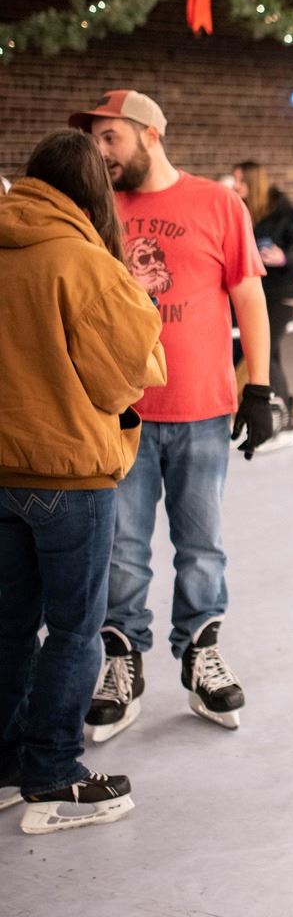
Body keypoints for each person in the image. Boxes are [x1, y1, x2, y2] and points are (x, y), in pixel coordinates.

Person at [72, 90, 276, 743]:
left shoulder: (218, 204)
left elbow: (248, 294)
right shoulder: (97, 209)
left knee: (202, 548)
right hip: (119, 413)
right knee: (122, 553)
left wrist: (260, 388)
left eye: (111, 139)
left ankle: (200, 657)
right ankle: (122, 663)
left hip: (202, 412)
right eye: (95, 140)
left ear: (149, 136)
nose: (101, 153)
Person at [0, 132, 165, 834]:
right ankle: (54, 775)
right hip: (69, 473)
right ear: (92, 190)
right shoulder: (83, 262)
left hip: (1, 469)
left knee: (7, 629)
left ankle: (7, 766)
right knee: (75, 631)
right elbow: (130, 368)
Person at [231, 160, 293, 445]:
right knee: (272, 354)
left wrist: (282, 257)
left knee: (264, 352)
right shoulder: (243, 212)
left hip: (284, 294)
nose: (236, 187)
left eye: (240, 182)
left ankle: (283, 419)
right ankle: (286, 420)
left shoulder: (285, 212)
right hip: (259, 295)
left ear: (254, 184)